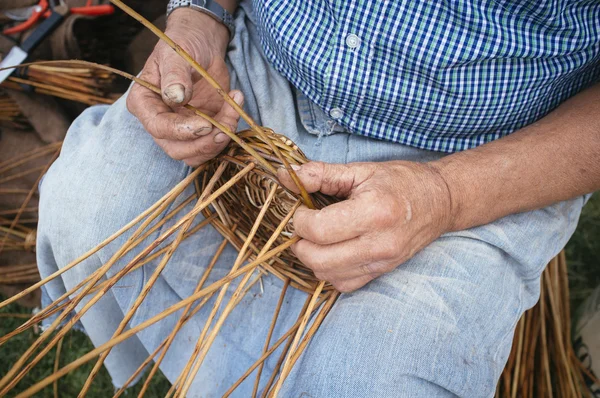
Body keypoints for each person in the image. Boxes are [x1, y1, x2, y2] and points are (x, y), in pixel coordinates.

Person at [37, 0, 600, 396]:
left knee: (374, 379)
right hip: (253, 76)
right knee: (93, 206)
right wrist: (200, 15)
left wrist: (447, 195)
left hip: (483, 156)